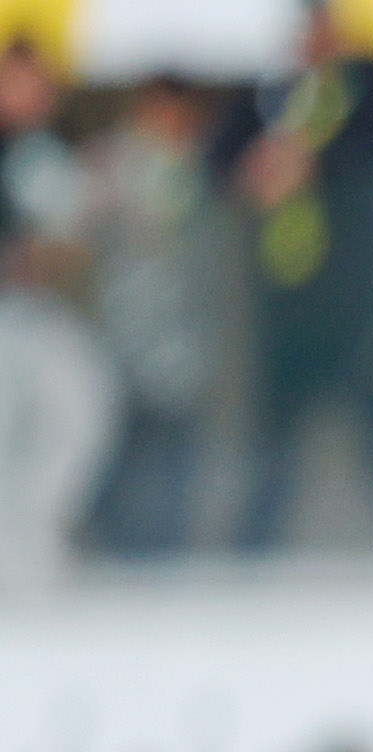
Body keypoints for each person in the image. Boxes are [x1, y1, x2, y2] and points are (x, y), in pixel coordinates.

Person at [216, 0, 373, 551]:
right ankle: (245, 559)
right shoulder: (273, 97)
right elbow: (223, 158)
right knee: (271, 450)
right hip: (290, 307)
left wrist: (313, 161)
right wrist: (259, 168)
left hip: (361, 306)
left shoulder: (365, 91)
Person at [78, 75, 219, 558]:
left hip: (177, 338)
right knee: (117, 452)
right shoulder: (115, 159)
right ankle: (114, 544)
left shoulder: (188, 161)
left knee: (173, 453)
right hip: (123, 332)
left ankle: (164, 547)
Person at [0, 38, 108, 579]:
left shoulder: (40, 149)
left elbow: (65, 244)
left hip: (30, 313)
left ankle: (34, 540)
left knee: (78, 409)